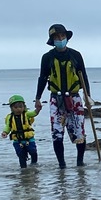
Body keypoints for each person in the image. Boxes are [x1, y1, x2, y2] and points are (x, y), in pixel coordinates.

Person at [34, 23, 93, 168]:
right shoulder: (47, 57)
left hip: (74, 98)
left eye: (62, 36)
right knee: (57, 133)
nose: (60, 39)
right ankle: (62, 165)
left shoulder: (76, 55)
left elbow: (83, 76)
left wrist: (88, 96)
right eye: (57, 37)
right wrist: (38, 98)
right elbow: (42, 78)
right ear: (52, 40)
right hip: (56, 99)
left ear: (66, 37)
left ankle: (80, 163)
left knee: (79, 132)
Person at [2, 94, 43, 168]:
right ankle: (23, 170)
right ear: (11, 108)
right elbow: (8, 126)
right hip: (17, 141)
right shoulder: (10, 117)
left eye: (21, 107)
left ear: (24, 107)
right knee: (21, 155)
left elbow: (34, 113)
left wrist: (38, 109)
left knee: (33, 151)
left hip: (29, 139)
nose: (18, 109)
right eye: (16, 107)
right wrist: (5, 132)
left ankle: (34, 164)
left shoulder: (26, 114)